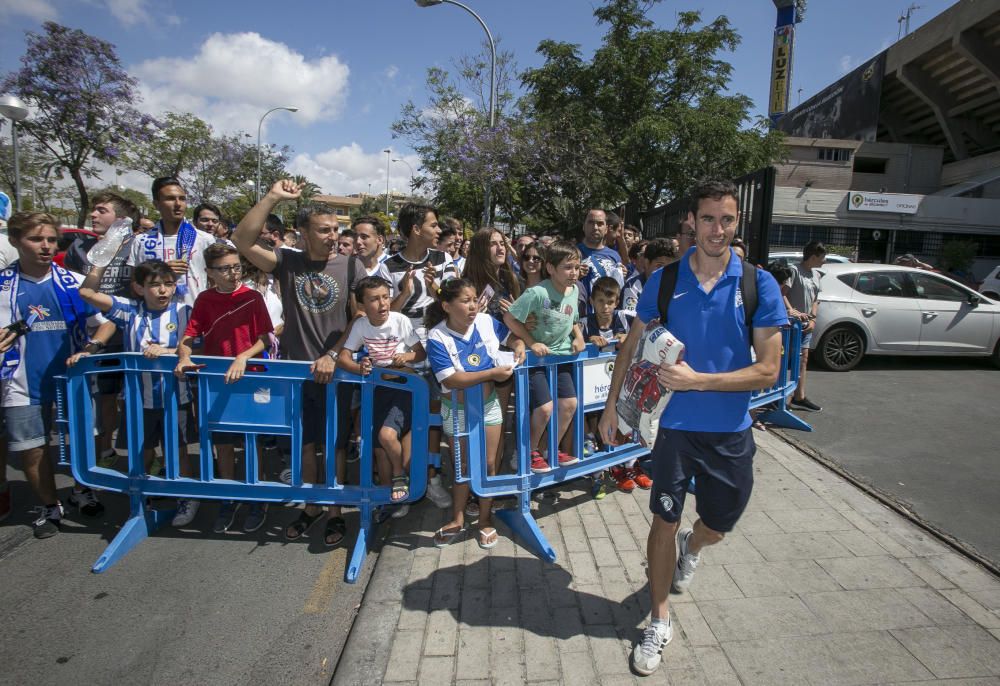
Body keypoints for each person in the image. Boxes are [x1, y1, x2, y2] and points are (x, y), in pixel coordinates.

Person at [597, 180, 787, 676]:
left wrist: (700, 381)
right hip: (673, 430)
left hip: (729, 431)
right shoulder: (664, 280)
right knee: (663, 518)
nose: (716, 230)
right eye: (707, 219)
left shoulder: (757, 284)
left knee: (719, 525)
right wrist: (612, 405)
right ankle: (659, 620)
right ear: (692, 223)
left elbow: (768, 369)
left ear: (736, 222)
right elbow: (632, 345)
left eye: (726, 220)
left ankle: (694, 546)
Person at [233, 179, 364, 547]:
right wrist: (273, 196)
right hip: (296, 373)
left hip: (334, 373)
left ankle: (336, 511)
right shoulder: (287, 262)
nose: (333, 236)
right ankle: (312, 507)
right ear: (302, 232)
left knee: (336, 445)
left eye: (336, 229)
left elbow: (357, 318)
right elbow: (242, 241)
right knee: (306, 445)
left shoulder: (351, 265)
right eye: (324, 230)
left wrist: (333, 355)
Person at [0, 212, 112, 537]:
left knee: (81, 443)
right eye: (37, 239)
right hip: (19, 386)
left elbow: (105, 323)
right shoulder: (3, 286)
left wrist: (91, 349)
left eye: (51, 239)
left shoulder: (73, 283)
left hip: (71, 382)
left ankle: (82, 490)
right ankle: (50, 507)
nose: (46, 246)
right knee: (33, 450)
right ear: (15, 241)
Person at [79, 259, 198, 525]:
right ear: (138, 287)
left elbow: (193, 348)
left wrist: (167, 352)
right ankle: (142, 498)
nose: (163, 291)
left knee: (176, 450)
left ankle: (187, 497)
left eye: (168, 284)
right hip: (136, 398)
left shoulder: (184, 311)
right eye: (154, 285)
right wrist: (99, 261)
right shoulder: (129, 311)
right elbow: (86, 293)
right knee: (142, 450)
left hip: (174, 397)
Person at [174, 243, 274, 533]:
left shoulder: (252, 297)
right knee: (224, 444)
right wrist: (184, 356)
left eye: (236, 267)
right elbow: (189, 336)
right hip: (217, 381)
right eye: (225, 268)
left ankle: (256, 498)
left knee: (252, 440)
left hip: (251, 377)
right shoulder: (204, 300)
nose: (233, 273)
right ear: (210, 273)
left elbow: (265, 338)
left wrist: (243, 356)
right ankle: (228, 498)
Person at [426, 278, 523, 549]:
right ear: (446, 305)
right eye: (465, 301)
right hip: (456, 409)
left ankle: (484, 519)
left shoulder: (485, 321)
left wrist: (518, 345)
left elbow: (511, 336)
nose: (473, 306)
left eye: (474, 300)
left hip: (488, 405)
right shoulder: (436, 337)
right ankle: (457, 519)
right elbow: (452, 379)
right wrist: (492, 373)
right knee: (463, 467)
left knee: (489, 465)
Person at [384, 202, 458, 510]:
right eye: (433, 225)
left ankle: (432, 479)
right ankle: (405, 483)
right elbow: (383, 314)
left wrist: (436, 287)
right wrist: (405, 291)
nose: (439, 230)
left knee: (433, 420)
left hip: (439, 349)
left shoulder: (444, 259)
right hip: (404, 353)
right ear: (416, 230)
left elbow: (455, 299)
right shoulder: (387, 266)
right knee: (403, 420)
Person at [63, 192, 142, 467]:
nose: (93, 215)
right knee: (104, 398)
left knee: (137, 400)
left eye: (101, 210)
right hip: (96, 339)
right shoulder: (79, 249)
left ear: (120, 219)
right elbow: (73, 289)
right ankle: (104, 451)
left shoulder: (137, 246)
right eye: (94, 210)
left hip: (133, 336)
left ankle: (142, 455)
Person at [338, 276, 425, 516]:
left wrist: (406, 358)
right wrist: (360, 368)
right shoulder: (361, 325)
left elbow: (419, 353)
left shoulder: (400, 320)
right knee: (378, 448)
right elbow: (343, 357)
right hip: (375, 390)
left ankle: (400, 475)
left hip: (402, 387)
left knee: (387, 436)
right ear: (363, 305)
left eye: (385, 297)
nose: (383, 303)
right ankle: (388, 499)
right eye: (375, 299)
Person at [504, 240, 586, 473]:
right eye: (567, 267)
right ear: (550, 268)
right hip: (536, 361)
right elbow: (510, 319)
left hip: (561, 359)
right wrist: (531, 342)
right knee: (544, 409)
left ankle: (551, 448)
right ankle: (529, 451)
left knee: (569, 404)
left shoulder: (575, 290)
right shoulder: (537, 293)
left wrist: (578, 336)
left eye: (577, 267)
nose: (573, 273)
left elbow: (573, 318)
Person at [128, 177, 216, 308]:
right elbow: (134, 284)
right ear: (156, 204)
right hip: (154, 318)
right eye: (170, 199)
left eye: (182, 198)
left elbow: (214, 281)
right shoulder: (141, 241)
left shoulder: (205, 239)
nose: (178, 204)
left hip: (194, 315)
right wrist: (161, 271)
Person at [786, 240, 825, 413]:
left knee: (803, 359)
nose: (824, 261)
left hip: (806, 324)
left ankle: (799, 395)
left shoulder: (816, 275)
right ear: (813, 256)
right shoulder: (794, 271)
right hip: (790, 325)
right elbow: (782, 293)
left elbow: (816, 299)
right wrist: (791, 310)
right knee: (784, 360)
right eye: (822, 257)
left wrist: (813, 319)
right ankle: (778, 399)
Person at [578, 209, 626, 314]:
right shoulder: (572, 252)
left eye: (600, 223)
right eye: (591, 222)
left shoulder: (615, 256)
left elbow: (618, 290)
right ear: (584, 226)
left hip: (606, 318)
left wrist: (622, 275)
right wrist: (575, 275)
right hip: (581, 317)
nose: (595, 227)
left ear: (606, 229)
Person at [621, 238, 675, 315]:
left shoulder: (677, 286)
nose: (664, 271)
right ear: (647, 263)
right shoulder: (632, 288)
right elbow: (630, 320)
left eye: (668, 267)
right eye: (659, 266)